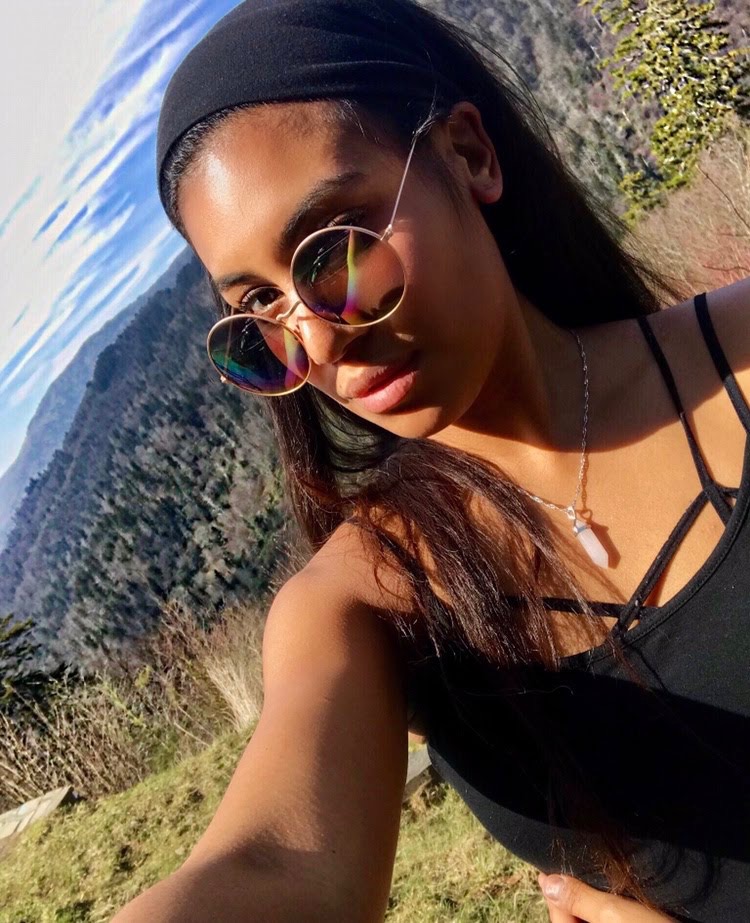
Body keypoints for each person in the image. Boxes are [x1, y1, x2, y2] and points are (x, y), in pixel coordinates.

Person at [113, 1, 750, 920]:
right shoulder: (369, 600)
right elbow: (277, 864)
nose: (318, 342)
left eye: (335, 246)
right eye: (259, 309)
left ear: (470, 155)